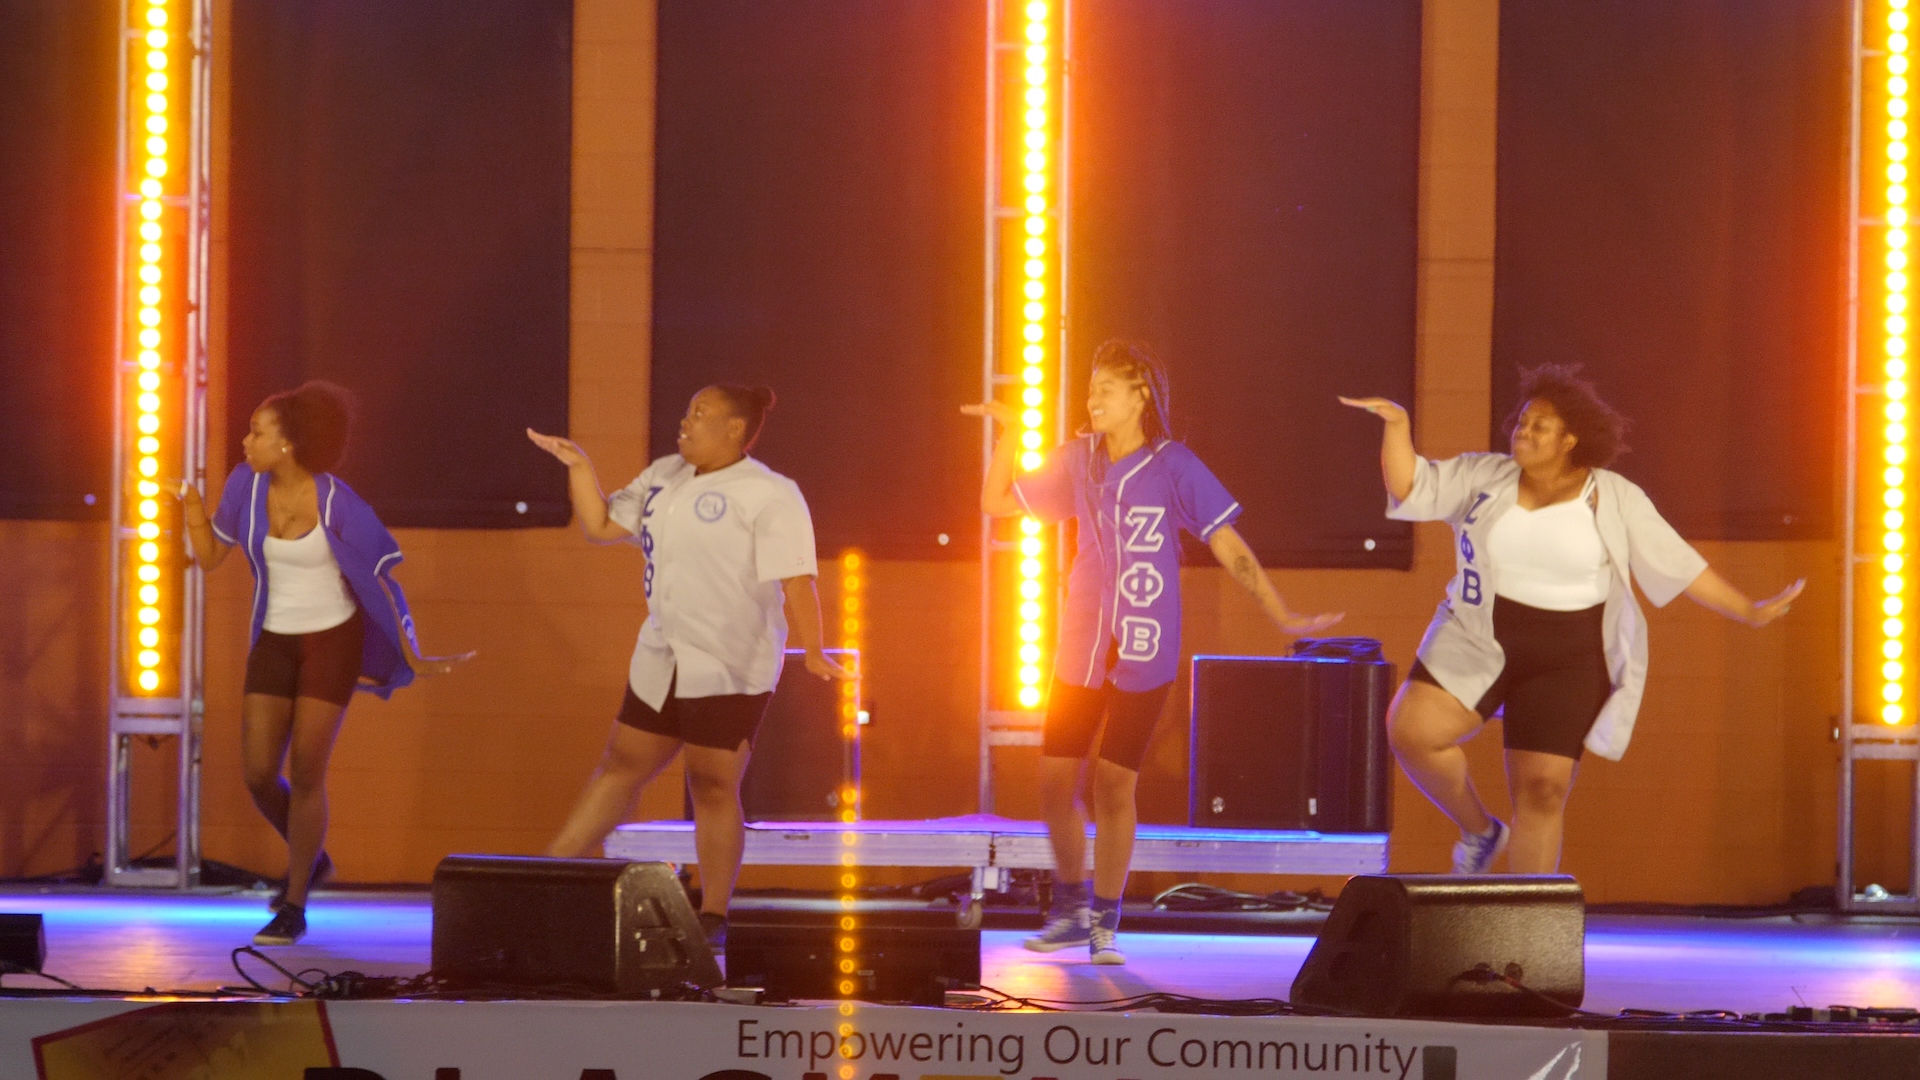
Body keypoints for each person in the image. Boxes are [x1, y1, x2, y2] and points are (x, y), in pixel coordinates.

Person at [1341, 364, 1803, 875]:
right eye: (1521, 422)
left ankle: (1526, 919)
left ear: (1570, 440)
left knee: (1542, 790)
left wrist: (1748, 610)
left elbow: (1677, 562)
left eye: (1539, 426)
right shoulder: (1483, 476)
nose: (1523, 431)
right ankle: (1480, 831)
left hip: (1569, 655)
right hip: (1476, 632)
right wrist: (1398, 426)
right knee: (1411, 731)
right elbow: (1411, 486)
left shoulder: (1613, 496)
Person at [966, 339, 1342, 965]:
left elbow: (1228, 544)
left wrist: (1282, 613)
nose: (1092, 399)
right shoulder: (1078, 460)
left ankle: (1105, 923)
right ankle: (1069, 907)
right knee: (1054, 785)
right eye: (1090, 388)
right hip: (1082, 646)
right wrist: (1008, 434)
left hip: (1146, 646)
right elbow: (995, 503)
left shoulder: (1173, 465)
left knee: (1114, 785)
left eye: (1106, 388)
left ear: (1140, 394)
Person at [530, 384, 847, 954]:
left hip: (731, 660)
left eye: (700, 414)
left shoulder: (770, 492)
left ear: (734, 429)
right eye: (687, 411)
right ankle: (542, 879)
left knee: (712, 783)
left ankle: (714, 913)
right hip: (663, 653)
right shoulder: (664, 475)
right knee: (620, 765)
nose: (685, 421)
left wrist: (815, 648)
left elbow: (798, 578)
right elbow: (600, 527)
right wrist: (579, 466)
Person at [181, 380, 472, 946]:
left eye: (257, 432)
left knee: (308, 770)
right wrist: (192, 506)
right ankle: (309, 856)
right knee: (258, 773)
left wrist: (412, 652)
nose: (245, 442)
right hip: (274, 639)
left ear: (288, 443)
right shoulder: (245, 484)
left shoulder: (337, 501)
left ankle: (293, 905)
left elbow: (382, 577)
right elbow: (211, 557)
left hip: (332, 641)